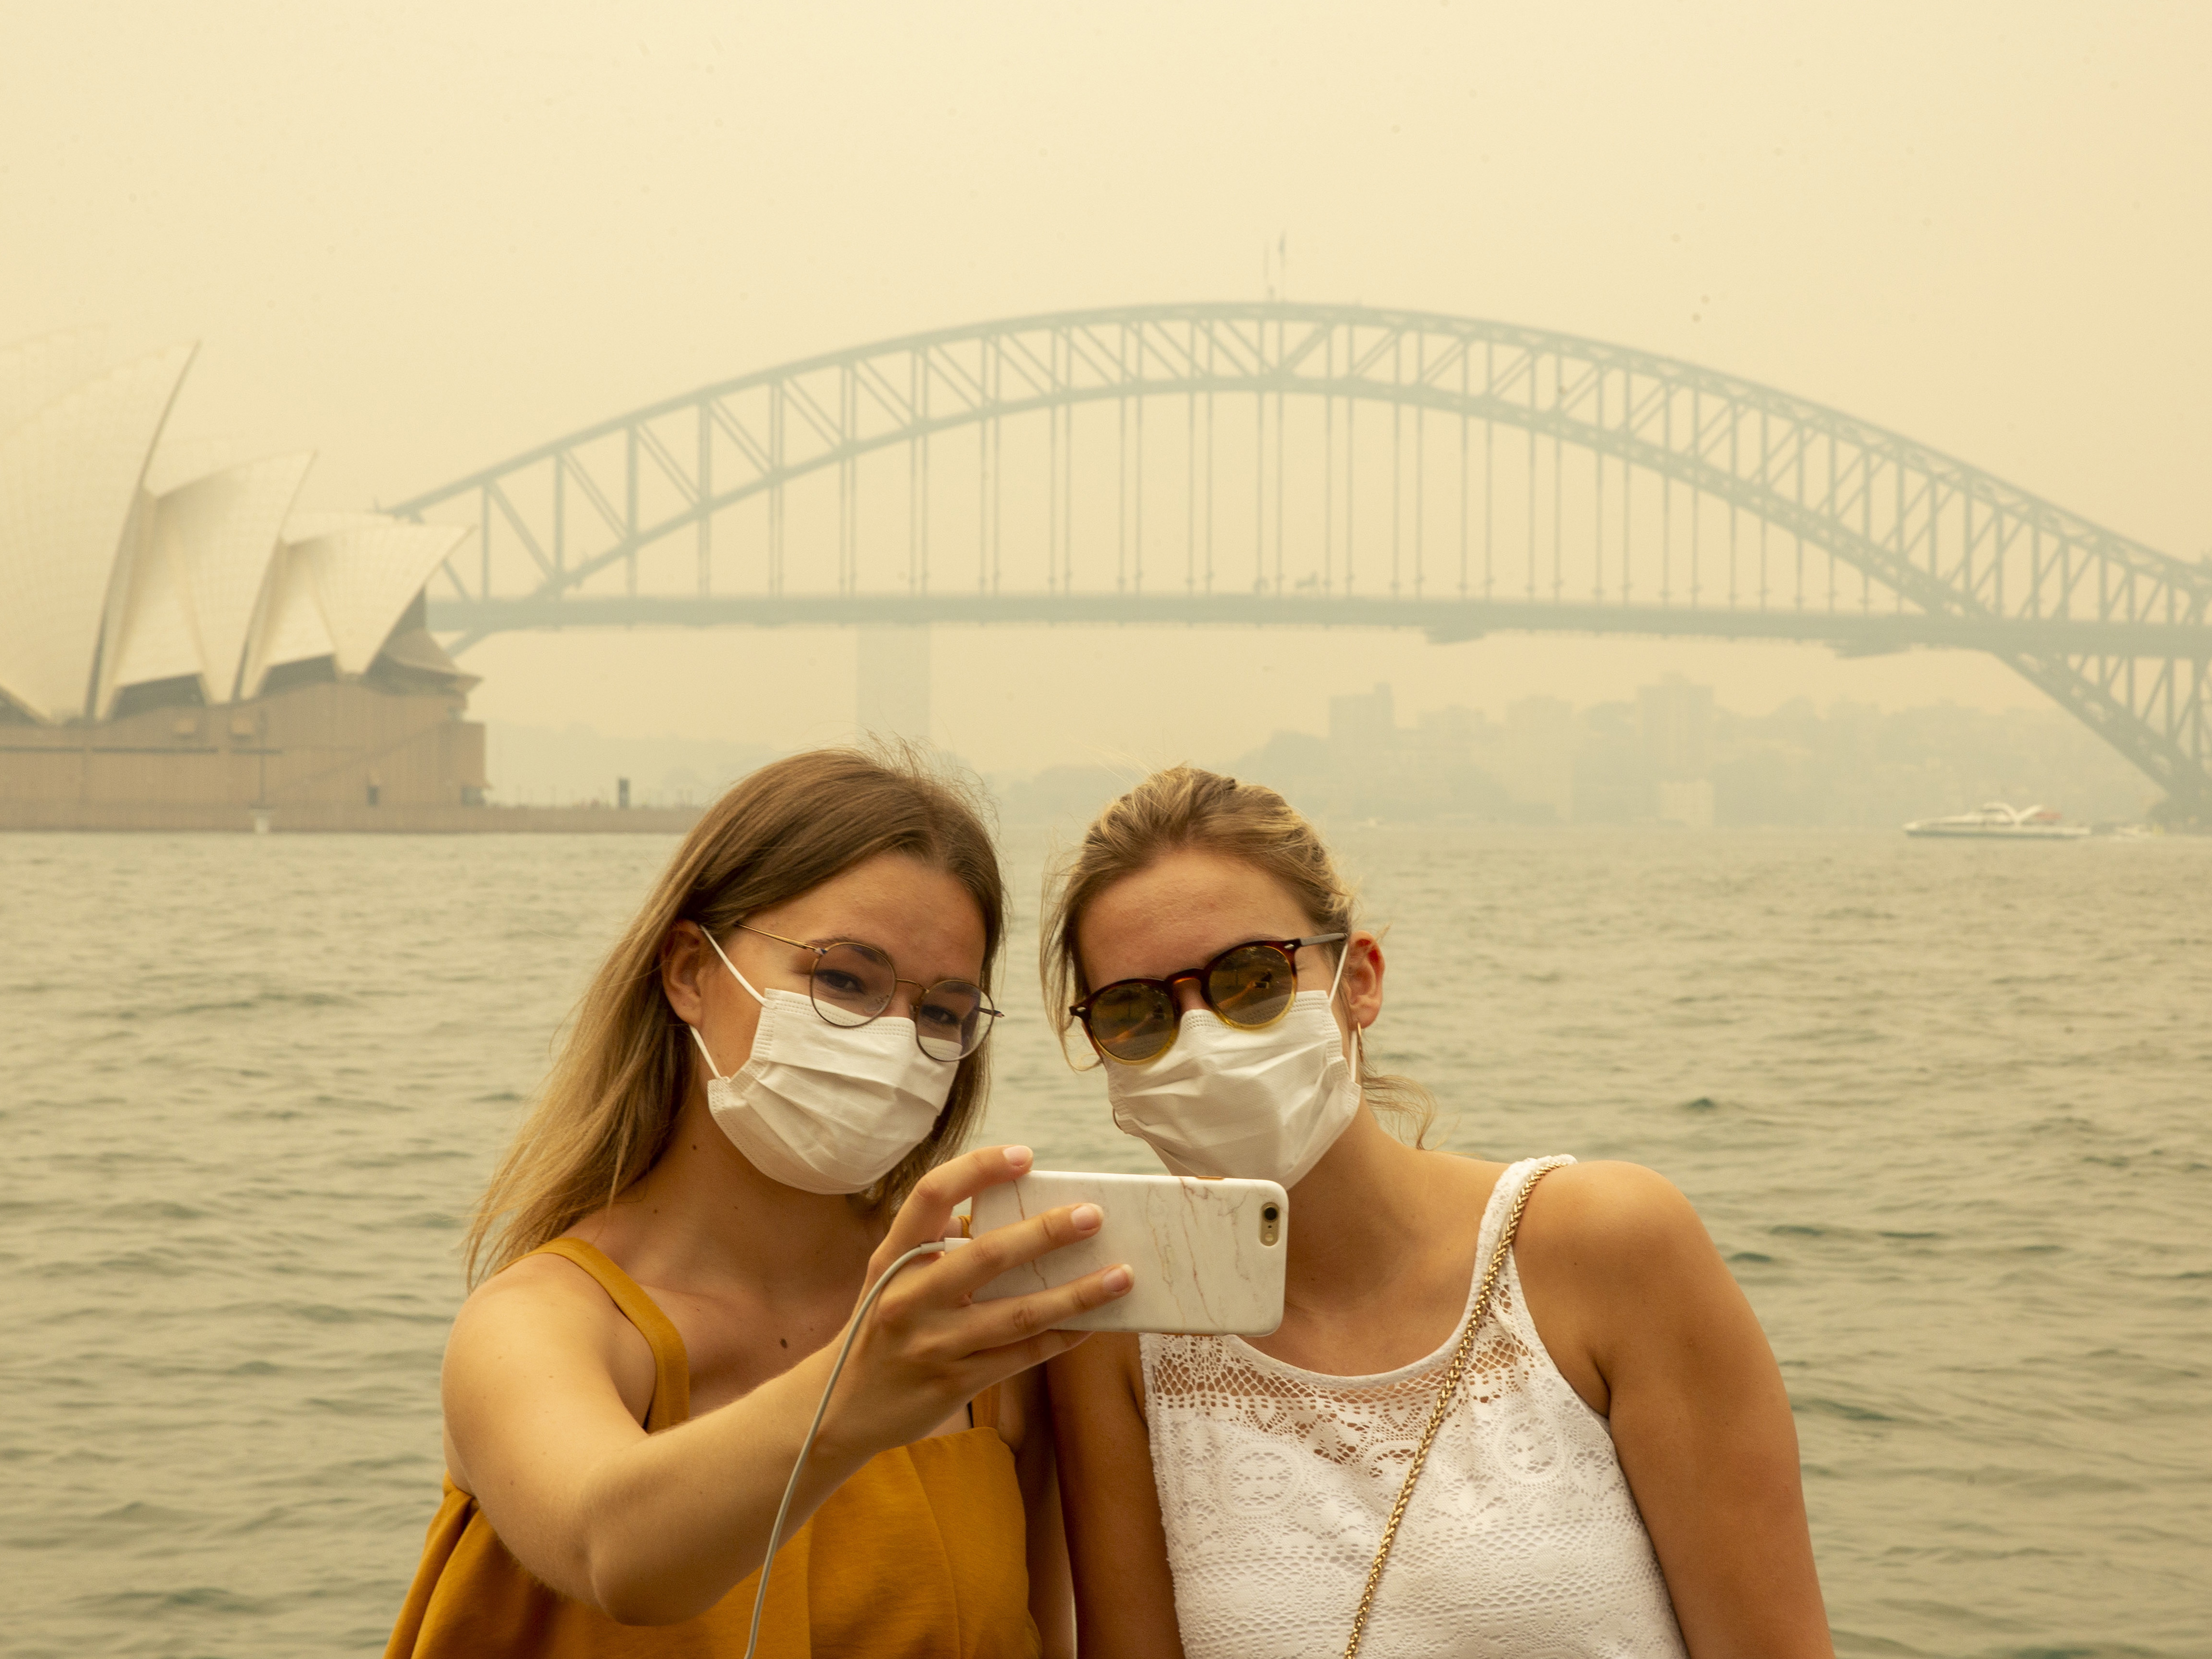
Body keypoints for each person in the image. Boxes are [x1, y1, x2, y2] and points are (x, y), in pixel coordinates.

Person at [1044, 766, 1833, 1659]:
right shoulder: (1114, 1335)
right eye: (1136, 1012)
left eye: (1253, 980)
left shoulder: (1606, 1246)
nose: (1202, 1035)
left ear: (1359, 982)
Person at [386, 748, 1130, 1659]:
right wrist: (858, 1390)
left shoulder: (974, 1336)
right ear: (690, 971)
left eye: (941, 1012)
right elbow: (613, 1551)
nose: (893, 1041)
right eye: (844, 980)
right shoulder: (543, 1325)